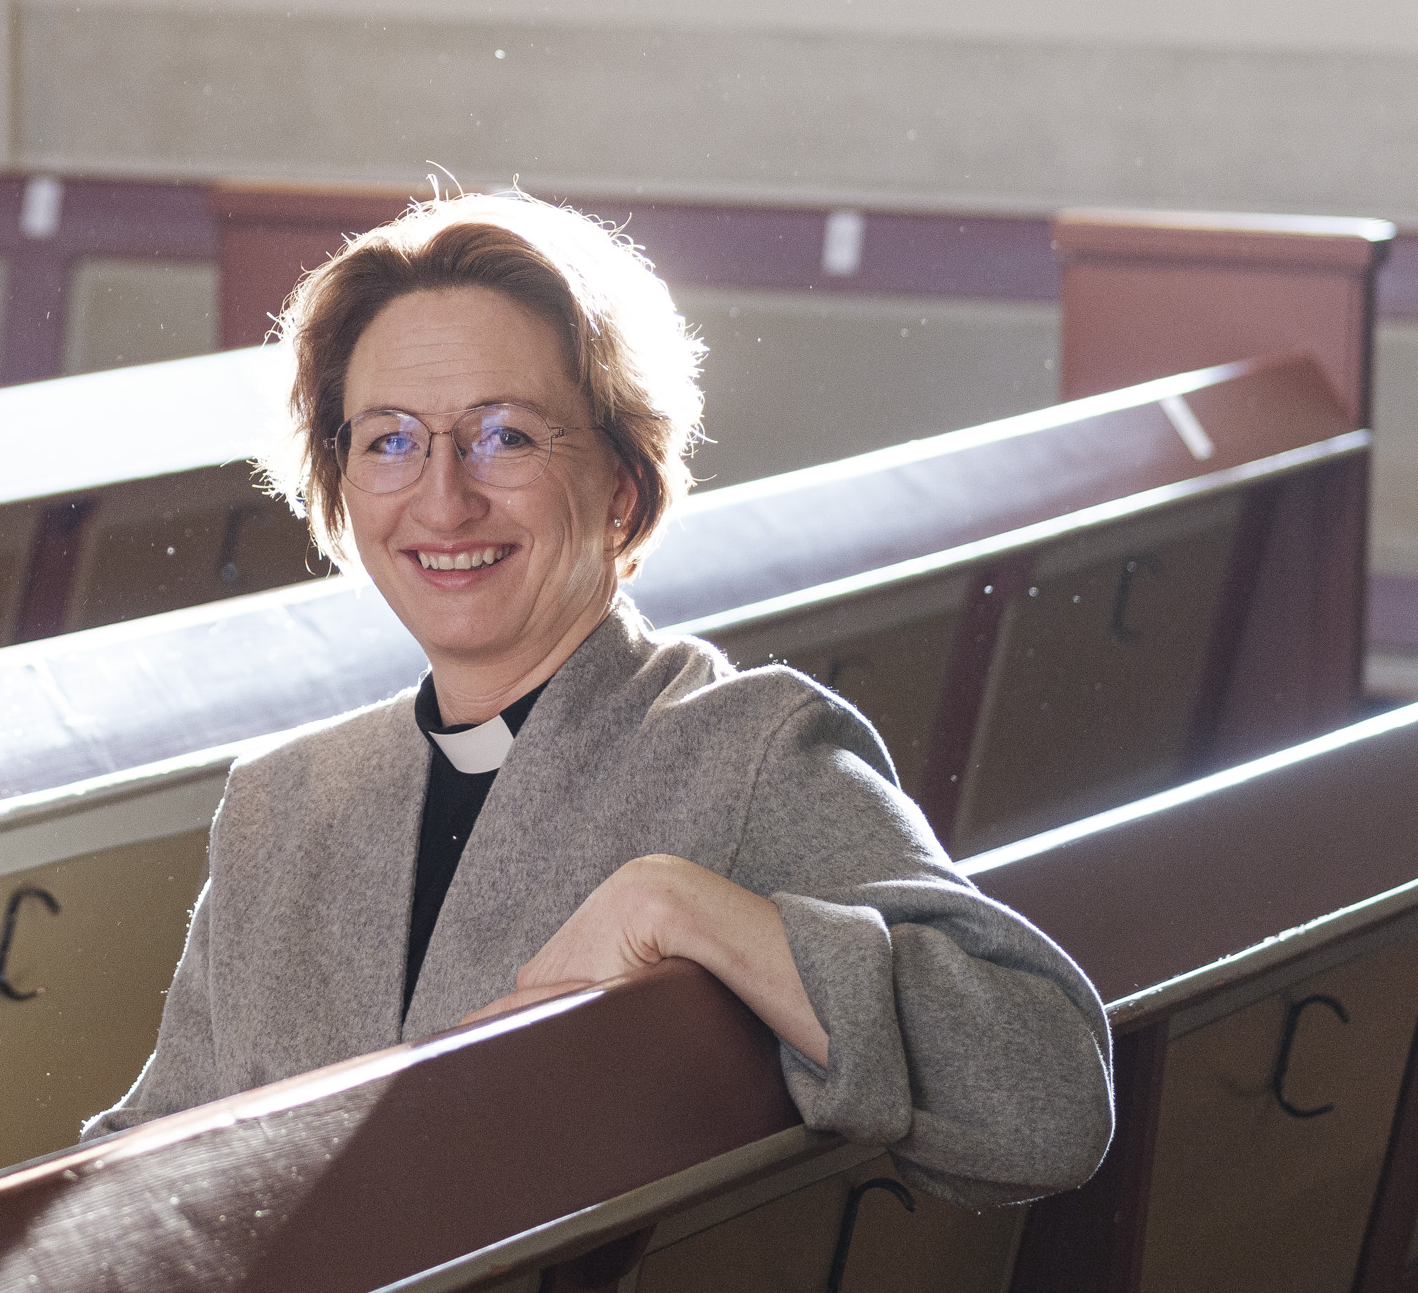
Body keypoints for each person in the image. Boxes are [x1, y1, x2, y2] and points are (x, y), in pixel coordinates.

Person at [92, 185, 1111, 1202]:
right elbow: (148, 1168)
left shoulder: (749, 749)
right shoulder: (281, 802)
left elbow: (1052, 1098)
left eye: (508, 435)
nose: (443, 498)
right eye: (391, 438)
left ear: (623, 484)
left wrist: (680, 905)